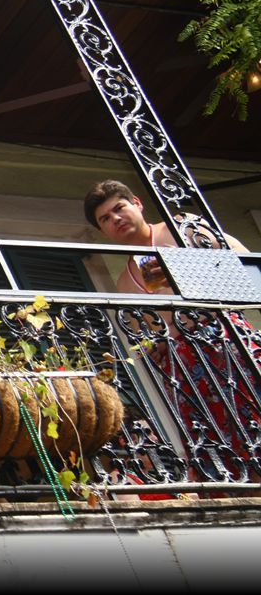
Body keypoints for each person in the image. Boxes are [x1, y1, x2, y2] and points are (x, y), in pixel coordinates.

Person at [84, 179, 258, 475]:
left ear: (137, 204)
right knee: (222, 444)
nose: (116, 219)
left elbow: (247, 268)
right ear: (103, 231)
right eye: (105, 219)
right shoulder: (125, 283)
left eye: (119, 208)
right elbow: (145, 342)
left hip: (226, 343)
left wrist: (182, 270)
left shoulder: (182, 228)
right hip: (187, 371)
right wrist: (155, 346)